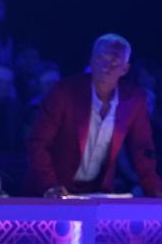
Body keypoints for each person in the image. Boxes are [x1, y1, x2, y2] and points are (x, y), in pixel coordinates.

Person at [25, 33, 162, 198]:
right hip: (56, 191)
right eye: (101, 58)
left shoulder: (133, 99)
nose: (106, 65)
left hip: (99, 195)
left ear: (125, 68)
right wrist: (49, 186)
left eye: (114, 60)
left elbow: (142, 149)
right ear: (91, 60)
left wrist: (154, 189)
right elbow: (38, 143)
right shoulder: (64, 92)